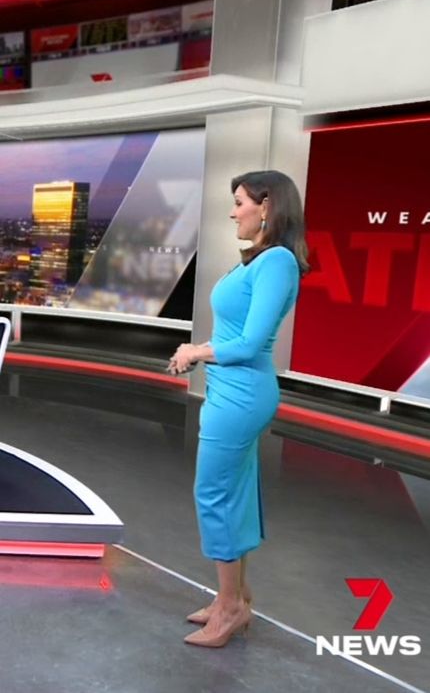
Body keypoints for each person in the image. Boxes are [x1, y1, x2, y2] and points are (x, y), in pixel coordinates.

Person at [167, 170, 309, 648]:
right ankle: (235, 597)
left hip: (242, 396)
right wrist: (200, 350)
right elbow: (233, 335)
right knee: (235, 492)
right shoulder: (257, 261)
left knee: (214, 494)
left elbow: (248, 344)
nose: (232, 213)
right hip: (229, 390)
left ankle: (229, 609)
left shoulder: (277, 262)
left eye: (239, 202)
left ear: (266, 206)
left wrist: (196, 351)